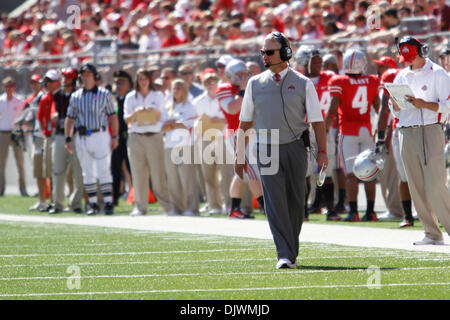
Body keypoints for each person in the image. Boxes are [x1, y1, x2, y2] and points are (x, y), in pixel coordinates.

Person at [237, 32, 327, 269]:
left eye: (269, 52)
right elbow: (244, 123)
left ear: (285, 53)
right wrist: (239, 155)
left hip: (297, 145)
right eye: (263, 52)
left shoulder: (303, 83)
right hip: (266, 147)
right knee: (274, 203)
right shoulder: (254, 84)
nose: (264, 56)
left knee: (297, 201)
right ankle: (284, 254)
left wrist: (323, 152)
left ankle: (291, 251)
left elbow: (317, 121)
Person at [390, 36, 450, 245]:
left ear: (421, 52)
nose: (409, 61)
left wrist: (424, 104)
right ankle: (432, 233)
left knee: (435, 184)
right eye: (406, 57)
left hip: (431, 129)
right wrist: (395, 104)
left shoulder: (438, 73)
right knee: (416, 185)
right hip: (406, 130)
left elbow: (447, 106)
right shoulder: (401, 75)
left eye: (412, 56)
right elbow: (395, 110)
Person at [326, 49, 381, 222]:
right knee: (369, 174)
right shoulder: (373, 80)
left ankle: (354, 212)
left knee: (350, 175)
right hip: (366, 131)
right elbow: (378, 107)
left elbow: (333, 109)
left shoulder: (339, 81)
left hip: (348, 132)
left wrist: (324, 128)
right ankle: (371, 212)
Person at [65, 63, 119, 216]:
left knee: (103, 169)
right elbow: (70, 118)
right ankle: (93, 204)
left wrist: (114, 136)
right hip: (82, 136)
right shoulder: (76, 96)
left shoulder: (104, 94)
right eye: (83, 75)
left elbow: (112, 116)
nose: (86, 77)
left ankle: (108, 203)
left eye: (88, 74)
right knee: (87, 172)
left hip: (100, 134)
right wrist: (68, 138)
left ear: (95, 76)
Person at [295, 46, 341, 221]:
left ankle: (330, 209)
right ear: (303, 63)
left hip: (323, 128)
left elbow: (336, 99)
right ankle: (303, 209)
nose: (318, 64)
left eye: (319, 61)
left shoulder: (329, 78)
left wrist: (328, 122)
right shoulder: (298, 80)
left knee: (326, 170)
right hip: (304, 129)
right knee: (304, 172)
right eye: (314, 62)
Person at [216, 59, 265, 219]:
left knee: (243, 173)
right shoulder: (224, 89)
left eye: (246, 73)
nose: (244, 77)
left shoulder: (252, 86)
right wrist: (244, 90)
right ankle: (265, 207)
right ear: (231, 75)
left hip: (252, 133)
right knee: (251, 170)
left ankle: (234, 209)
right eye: (240, 74)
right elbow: (231, 108)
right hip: (236, 133)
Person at [123, 68, 172, 216]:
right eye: (140, 79)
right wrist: (138, 112)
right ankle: (140, 207)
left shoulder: (157, 96)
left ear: (149, 80)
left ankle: (168, 207)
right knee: (138, 174)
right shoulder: (131, 97)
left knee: (158, 175)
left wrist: (150, 111)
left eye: (145, 79)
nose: (143, 82)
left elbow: (161, 116)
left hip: (154, 136)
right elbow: (127, 119)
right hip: (136, 136)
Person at [373, 56, 412, 226]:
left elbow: (385, 112)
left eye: (381, 66)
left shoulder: (390, 76)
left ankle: (396, 209)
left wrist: (382, 137)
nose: (378, 70)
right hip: (406, 128)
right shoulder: (405, 75)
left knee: (392, 173)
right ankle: (410, 210)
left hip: (394, 131)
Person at [193, 72, 231, 215]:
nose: (210, 84)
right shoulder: (198, 101)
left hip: (222, 138)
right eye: (207, 82)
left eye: (213, 81)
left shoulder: (225, 99)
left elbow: (232, 117)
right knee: (208, 175)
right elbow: (193, 120)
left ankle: (228, 204)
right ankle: (214, 205)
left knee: (226, 173)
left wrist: (220, 120)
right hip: (204, 139)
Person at [162, 79, 199, 216]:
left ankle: (192, 208)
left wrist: (173, 124)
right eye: (174, 88)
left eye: (178, 88)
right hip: (169, 145)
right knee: (172, 179)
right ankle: (177, 208)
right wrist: (175, 124)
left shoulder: (190, 106)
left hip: (185, 145)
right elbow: (162, 126)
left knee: (187, 178)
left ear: (184, 90)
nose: (176, 91)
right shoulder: (167, 106)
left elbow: (189, 124)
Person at [49, 67, 84, 214]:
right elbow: (52, 111)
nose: (64, 80)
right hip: (60, 134)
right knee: (58, 170)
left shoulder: (80, 95)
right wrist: (54, 115)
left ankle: (76, 203)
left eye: (68, 78)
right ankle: (58, 203)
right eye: (64, 77)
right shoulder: (57, 95)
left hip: (75, 135)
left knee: (78, 171)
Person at [22, 75, 48, 210]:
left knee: (50, 170)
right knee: (38, 170)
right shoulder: (34, 99)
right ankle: (42, 200)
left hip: (47, 136)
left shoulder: (49, 98)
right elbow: (30, 117)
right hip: (37, 136)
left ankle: (54, 200)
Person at [37, 70, 61, 210]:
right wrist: (46, 132)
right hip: (50, 136)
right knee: (50, 171)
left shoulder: (62, 97)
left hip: (62, 136)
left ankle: (69, 199)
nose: (49, 84)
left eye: (52, 81)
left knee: (67, 172)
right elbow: (40, 118)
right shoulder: (45, 99)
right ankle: (53, 200)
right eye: (48, 82)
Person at [0, 76, 27, 196]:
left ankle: (23, 188)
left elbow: (25, 116)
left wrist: (23, 129)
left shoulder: (20, 101)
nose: (9, 88)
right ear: (3, 87)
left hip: (16, 133)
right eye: (6, 86)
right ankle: (1, 188)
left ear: (14, 87)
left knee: (20, 162)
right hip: (3, 132)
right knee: (1, 162)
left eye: (11, 86)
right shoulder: (0, 100)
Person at [111, 70, 133, 206]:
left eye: (122, 82)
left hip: (129, 137)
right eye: (117, 82)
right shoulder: (112, 100)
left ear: (129, 84)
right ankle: (114, 197)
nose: (118, 85)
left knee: (132, 168)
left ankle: (136, 195)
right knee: (115, 168)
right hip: (116, 138)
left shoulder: (131, 98)